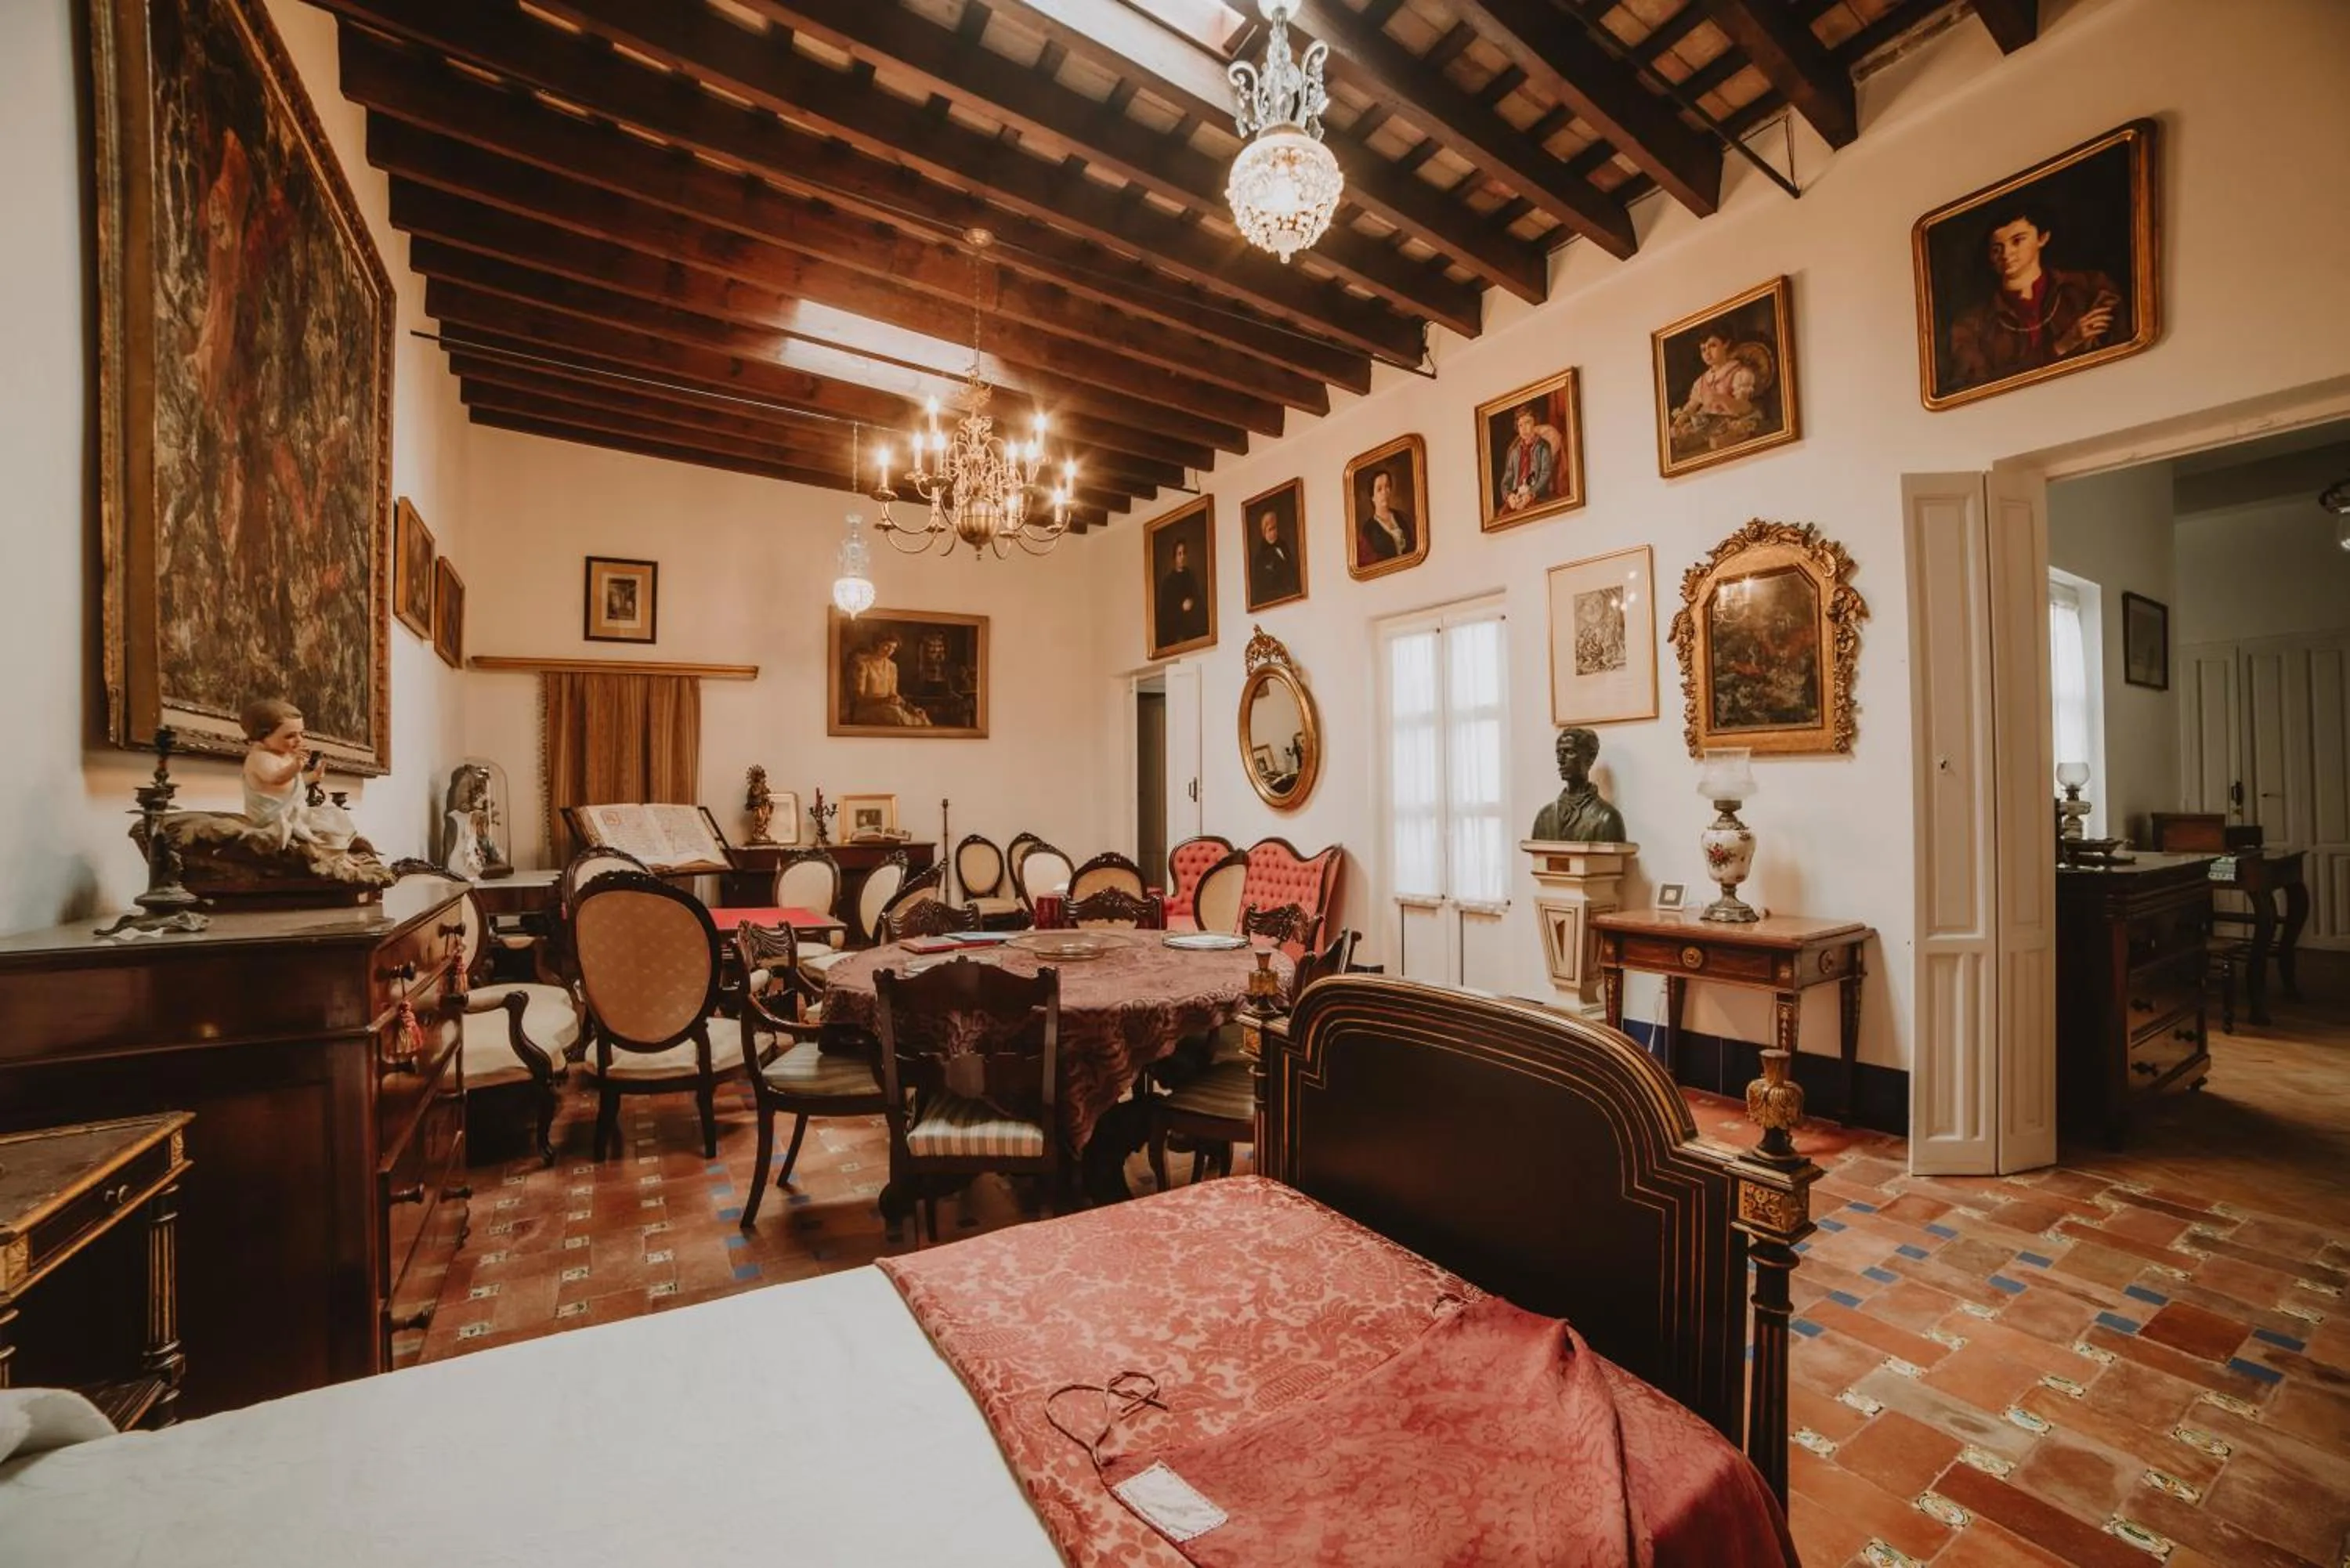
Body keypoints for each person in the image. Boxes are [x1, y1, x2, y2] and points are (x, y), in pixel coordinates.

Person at [1946, 201, 2124, 390]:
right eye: (1997, 249)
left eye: (2017, 240)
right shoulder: (1970, 324)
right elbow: (1978, 388)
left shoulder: (2090, 287)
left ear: (2042, 238)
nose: (2007, 254)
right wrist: (2062, 346)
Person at [240, 697, 358, 850]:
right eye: (290, 736)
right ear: (262, 735)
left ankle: (339, 855)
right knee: (322, 833)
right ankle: (334, 856)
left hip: (294, 812)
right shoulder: (260, 758)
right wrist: (296, 765)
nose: (299, 740)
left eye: (301, 734)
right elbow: (276, 778)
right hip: (272, 817)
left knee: (336, 816)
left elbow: (291, 784)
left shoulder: (283, 755)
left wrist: (312, 777)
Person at [1668, 331, 1773, 455]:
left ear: (1726, 344)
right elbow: (1691, 406)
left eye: (1712, 346)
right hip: (1707, 424)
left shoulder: (1740, 373)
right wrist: (1678, 424)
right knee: (1683, 441)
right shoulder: (1701, 382)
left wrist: (1720, 398)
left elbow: (1743, 408)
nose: (1707, 353)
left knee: (1718, 440)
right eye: (1703, 349)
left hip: (1731, 420)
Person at [1530, 727, 1627, 844]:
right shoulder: (1545, 817)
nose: (1560, 760)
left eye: (1570, 752)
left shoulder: (1606, 818)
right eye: (1559, 753)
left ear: (1590, 758)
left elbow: (1609, 862)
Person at [848, 634, 931, 727]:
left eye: (893, 648)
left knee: (920, 716)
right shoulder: (863, 664)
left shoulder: (892, 666)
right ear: (878, 643)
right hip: (867, 710)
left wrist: (910, 708)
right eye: (887, 646)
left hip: (888, 708)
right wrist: (884, 700)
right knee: (896, 715)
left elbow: (893, 694)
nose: (890, 651)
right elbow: (858, 698)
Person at [1497, 406, 1557, 513]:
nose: (1524, 428)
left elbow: (1545, 474)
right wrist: (1509, 496)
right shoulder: (1514, 452)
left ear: (1535, 423)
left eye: (1528, 423)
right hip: (1517, 496)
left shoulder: (1543, 447)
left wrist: (1531, 493)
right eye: (1520, 425)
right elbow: (1506, 481)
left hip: (1537, 495)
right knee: (1502, 514)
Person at [1356, 467, 1415, 564]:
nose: (1384, 492)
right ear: (1373, 497)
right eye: (1379, 489)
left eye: (1387, 487)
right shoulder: (1368, 530)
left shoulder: (1403, 517)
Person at [1157, 538, 1208, 645]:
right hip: (1176, 629)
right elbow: (1165, 612)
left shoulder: (1191, 577)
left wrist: (1193, 602)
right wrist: (1181, 608)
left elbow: (1198, 600)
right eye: (1179, 554)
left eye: (1184, 553)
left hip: (1192, 628)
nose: (1182, 557)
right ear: (1174, 557)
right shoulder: (1168, 582)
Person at [1250, 508, 1300, 603]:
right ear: (1264, 532)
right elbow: (1261, 591)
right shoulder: (1260, 558)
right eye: (1270, 529)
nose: (1273, 533)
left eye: (1275, 528)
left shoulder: (1284, 547)